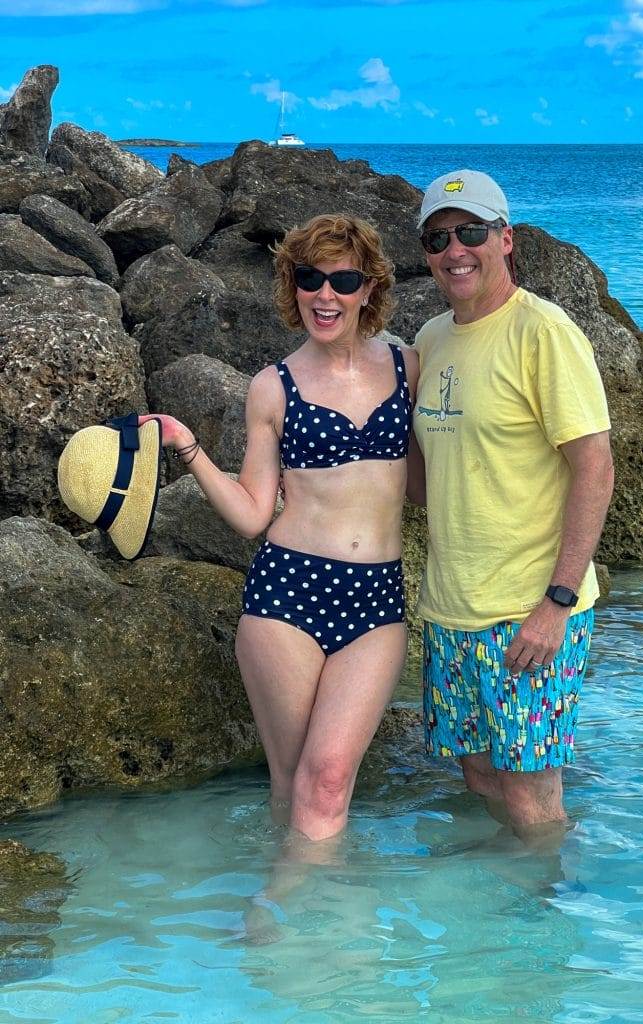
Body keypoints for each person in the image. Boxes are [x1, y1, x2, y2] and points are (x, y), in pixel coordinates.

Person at [144, 214, 418, 844]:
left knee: (326, 781)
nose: (326, 294)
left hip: (377, 598)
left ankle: (321, 935)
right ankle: (276, 932)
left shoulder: (410, 366)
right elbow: (251, 515)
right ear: (292, 286)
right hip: (286, 591)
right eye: (309, 278)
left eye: (343, 279)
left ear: (369, 287)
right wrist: (187, 447)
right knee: (293, 781)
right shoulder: (273, 386)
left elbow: (448, 459)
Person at [406, 170, 614, 838]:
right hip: (451, 608)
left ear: (505, 239)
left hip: (529, 615)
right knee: (477, 774)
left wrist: (556, 603)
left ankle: (549, 928)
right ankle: (496, 931)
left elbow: (595, 467)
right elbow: (427, 472)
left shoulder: (542, 332)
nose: (455, 250)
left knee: (530, 798)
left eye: (471, 232)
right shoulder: (430, 339)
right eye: (439, 238)